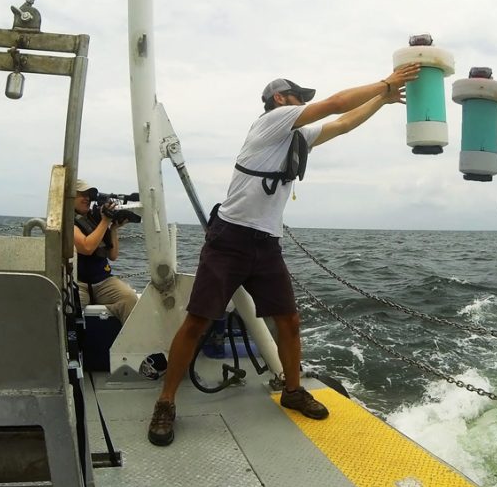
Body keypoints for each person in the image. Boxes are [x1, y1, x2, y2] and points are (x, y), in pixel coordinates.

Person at [148, 63, 420, 446]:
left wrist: (381, 98)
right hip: (229, 239)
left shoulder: (294, 138)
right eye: (298, 99)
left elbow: (343, 123)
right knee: (198, 321)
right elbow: (336, 104)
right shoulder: (272, 123)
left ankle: (292, 390)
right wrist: (386, 81)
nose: (303, 106)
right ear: (279, 99)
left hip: (266, 243)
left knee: (289, 321)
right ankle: (165, 401)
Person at [73, 179, 138, 325]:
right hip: (79, 283)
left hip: (103, 281)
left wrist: (113, 228)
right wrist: (105, 221)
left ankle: (128, 345)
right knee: (69, 312)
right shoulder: (68, 222)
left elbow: (113, 256)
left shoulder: (94, 218)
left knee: (130, 299)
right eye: (82, 194)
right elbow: (87, 248)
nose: (87, 198)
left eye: (89, 195)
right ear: (70, 197)